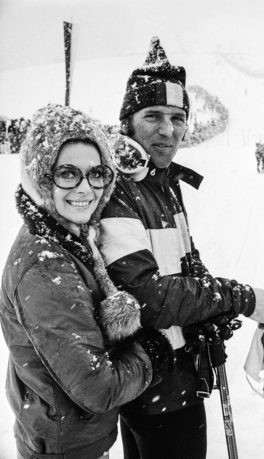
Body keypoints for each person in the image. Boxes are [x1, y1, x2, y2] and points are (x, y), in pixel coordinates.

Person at [98, 37, 264, 458]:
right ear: (127, 121)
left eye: (178, 118)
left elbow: (187, 263)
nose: (168, 130)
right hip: (152, 381)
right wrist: (239, 298)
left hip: (174, 376)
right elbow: (143, 296)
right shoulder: (119, 191)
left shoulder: (161, 182)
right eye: (153, 116)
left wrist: (208, 312)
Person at [2, 104, 174, 459]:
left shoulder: (69, 236)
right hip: (68, 448)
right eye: (67, 173)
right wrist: (152, 355)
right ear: (40, 177)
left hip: (70, 436)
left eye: (96, 173)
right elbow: (98, 386)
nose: (85, 188)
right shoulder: (45, 266)